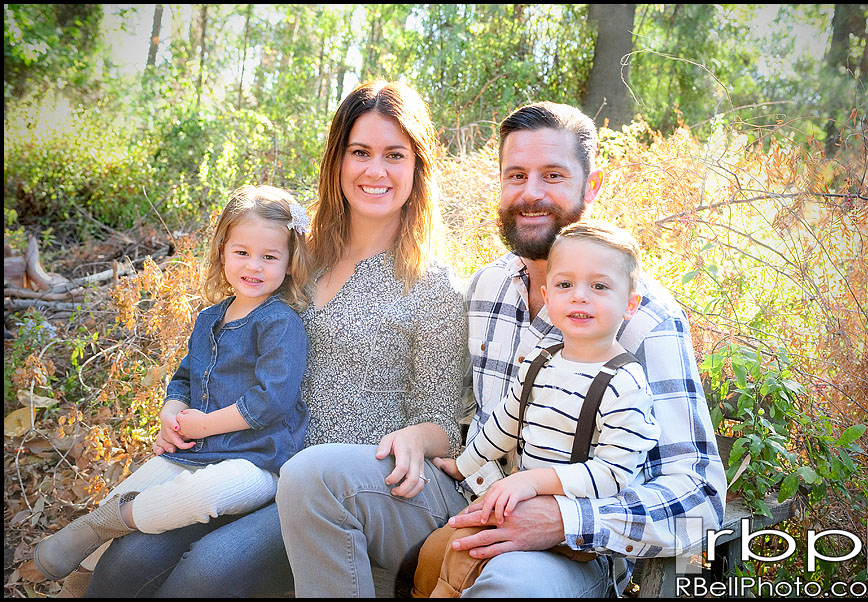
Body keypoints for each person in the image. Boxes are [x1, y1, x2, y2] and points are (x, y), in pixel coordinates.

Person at [274, 100, 727, 598]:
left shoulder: (645, 320)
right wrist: (432, 443)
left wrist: (561, 517)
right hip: (466, 500)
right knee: (310, 476)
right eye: (516, 176)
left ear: (591, 186)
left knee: (510, 582)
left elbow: (702, 497)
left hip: (572, 547)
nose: (531, 194)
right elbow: (460, 412)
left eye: (552, 175)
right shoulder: (489, 287)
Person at [80, 80, 468, 598]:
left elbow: (444, 424)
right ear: (337, 161)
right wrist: (176, 407)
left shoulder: (433, 286)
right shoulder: (293, 258)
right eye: (360, 152)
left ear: (417, 167)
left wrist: (418, 439)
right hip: (251, 458)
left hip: (332, 488)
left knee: (207, 572)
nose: (375, 170)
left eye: (394, 155)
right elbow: (225, 345)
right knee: (129, 559)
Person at [34, 185, 313, 592]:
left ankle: (111, 522)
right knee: (133, 485)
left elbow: (272, 398)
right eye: (242, 252)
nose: (254, 266)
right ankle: (84, 569)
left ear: (289, 263)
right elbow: (184, 377)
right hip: (198, 452)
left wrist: (204, 426)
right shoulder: (208, 319)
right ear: (222, 252)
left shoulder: (279, 322)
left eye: (269, 256)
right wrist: (171, 410)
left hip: (258, 462)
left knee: (202, 494)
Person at [414, 221, 661, 597]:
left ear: (630, 304)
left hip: (572, 530)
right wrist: (463, 465)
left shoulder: (624, 382)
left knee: (465, 557)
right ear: (547, 296)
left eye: (599, 286)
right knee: (436, 549)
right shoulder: (539, 363)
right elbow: (505, 424)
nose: (580, 297)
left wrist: (531, 482)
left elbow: (614, 475)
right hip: (519, 503)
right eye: (565, 285)